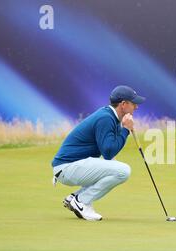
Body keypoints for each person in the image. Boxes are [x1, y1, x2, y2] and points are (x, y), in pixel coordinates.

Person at [51, 85, 145, 221]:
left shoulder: (111, 117)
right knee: (123, 171)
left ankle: (75, 197)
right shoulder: (106, 118)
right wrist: (125, 130)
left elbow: (109, 154)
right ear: (123, 104)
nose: (136, 107)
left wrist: (123, 129)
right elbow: (108, 152)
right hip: (67, 168)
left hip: (71, 167)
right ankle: (81, 201)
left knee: (115, 168)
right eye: (133, 103)